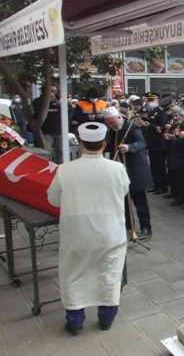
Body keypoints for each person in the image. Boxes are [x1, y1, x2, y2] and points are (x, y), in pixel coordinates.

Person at [47, 122, 130, 335]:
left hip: (77, 234)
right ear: (103, 144)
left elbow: (53, 200)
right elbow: (123, 192)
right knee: (109, 274)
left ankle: (75, 321)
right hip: (110, 233)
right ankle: (106, 320)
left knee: (73, 275)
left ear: (81, 144)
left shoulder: (64, 170)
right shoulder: (117, 168)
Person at [104, 106, 154, 239]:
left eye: (112, 122)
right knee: (124, 204)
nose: (111, 125)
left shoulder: (132, 127)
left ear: (120, 118)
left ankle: (146, 228)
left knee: (140, 203)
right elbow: (108, 145)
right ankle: (129, 228)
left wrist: (129, 147)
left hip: (135, 170)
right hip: (120, 171)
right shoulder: (113, 130)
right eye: (108, 123)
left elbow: (142, 142)